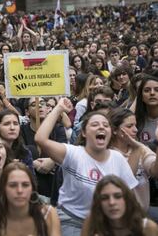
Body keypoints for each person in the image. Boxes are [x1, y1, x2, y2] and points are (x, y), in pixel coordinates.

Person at [35, 98, 138, 236]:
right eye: (95, 124)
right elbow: (40, 139)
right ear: (84, 132)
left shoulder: (117, 158)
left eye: (106, 125)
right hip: (72, 222)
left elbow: (129, 196)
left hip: (106, 224)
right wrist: (58, 108)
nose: (101, 127)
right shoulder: (73, 153)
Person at [0, 162, 61, 236]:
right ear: (3, 189)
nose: (20, 190)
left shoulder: (49, 214)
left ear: (32, 189)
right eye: (13, 185)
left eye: (25, 185)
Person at [108, 107, 158, 211]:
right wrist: (136, 149)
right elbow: (124, 184)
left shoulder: (141, 147)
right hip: (117, 216)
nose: (135, 130)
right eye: (129, 126)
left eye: (135, 125)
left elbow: (155, 171)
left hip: (141, 215)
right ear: (115, 130)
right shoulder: (107, 153)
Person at [81, 175, 158, 236]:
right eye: (104, 198)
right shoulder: (92, 222)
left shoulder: (147, 227)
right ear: (98, 202)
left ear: (127, 199)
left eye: (118, 196)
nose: (111, 202)